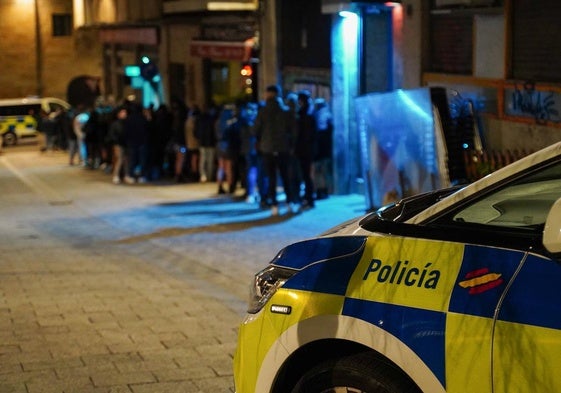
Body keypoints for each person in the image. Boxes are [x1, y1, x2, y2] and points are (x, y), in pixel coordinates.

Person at [253, 84, 298, 216]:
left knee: (271, 178)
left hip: (267, 149)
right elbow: (293, 131)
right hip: (283, 148)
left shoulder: (262, 111)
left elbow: (255, 130)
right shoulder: (285, 111)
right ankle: (289, 203)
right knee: (285, 177)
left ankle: (274, 205)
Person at [294, 90, 317, 208]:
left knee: (306, 175)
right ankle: (308, 197)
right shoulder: (309, 112)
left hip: (304, 150)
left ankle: (309, 198)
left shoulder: (305, 113)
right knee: (306, 175)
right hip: (306, 149)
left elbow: (305, 134)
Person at [123, 101, 149, 183]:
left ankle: (130, 175)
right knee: (142, 160)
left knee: (132, 159)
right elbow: (147, 130)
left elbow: (126, 131)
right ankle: (142, 176)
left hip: (132, 142)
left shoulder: (129, 119)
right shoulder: (143, 118)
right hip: (142, 141)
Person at [313, 98, 334, 199]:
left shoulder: (318, 117)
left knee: (320, 171)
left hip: (320, 150)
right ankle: (324, 190)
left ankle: (322, 190)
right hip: (324, 150)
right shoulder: (327, 116)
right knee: (323, 171)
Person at [197, 103, 218, 183]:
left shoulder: (200, 119)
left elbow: (196, 132)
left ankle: (203, 176)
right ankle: (209, 176)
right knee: (209, 160)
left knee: (203, 160)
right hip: (210, 142)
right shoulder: (212, 119)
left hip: (203, 142)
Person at [107, 106, 128, 184]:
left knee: (125, 160)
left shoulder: (126, 123)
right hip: (118, 144)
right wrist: (116, 141)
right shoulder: (115, 124)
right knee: (119, 159)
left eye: (125, 112)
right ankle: (116, 175)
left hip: (125, 144)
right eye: (123, 113)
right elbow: (112, 134)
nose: (124, 114)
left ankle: (125, 175)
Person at [185, 104, 201, 182]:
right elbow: (195, 133)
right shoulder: (193, 121)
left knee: (193, 158)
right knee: (194, 159)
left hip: (189, 142)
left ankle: (193, 173)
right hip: (194, 143)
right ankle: (195, 174)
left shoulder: (187, 121)